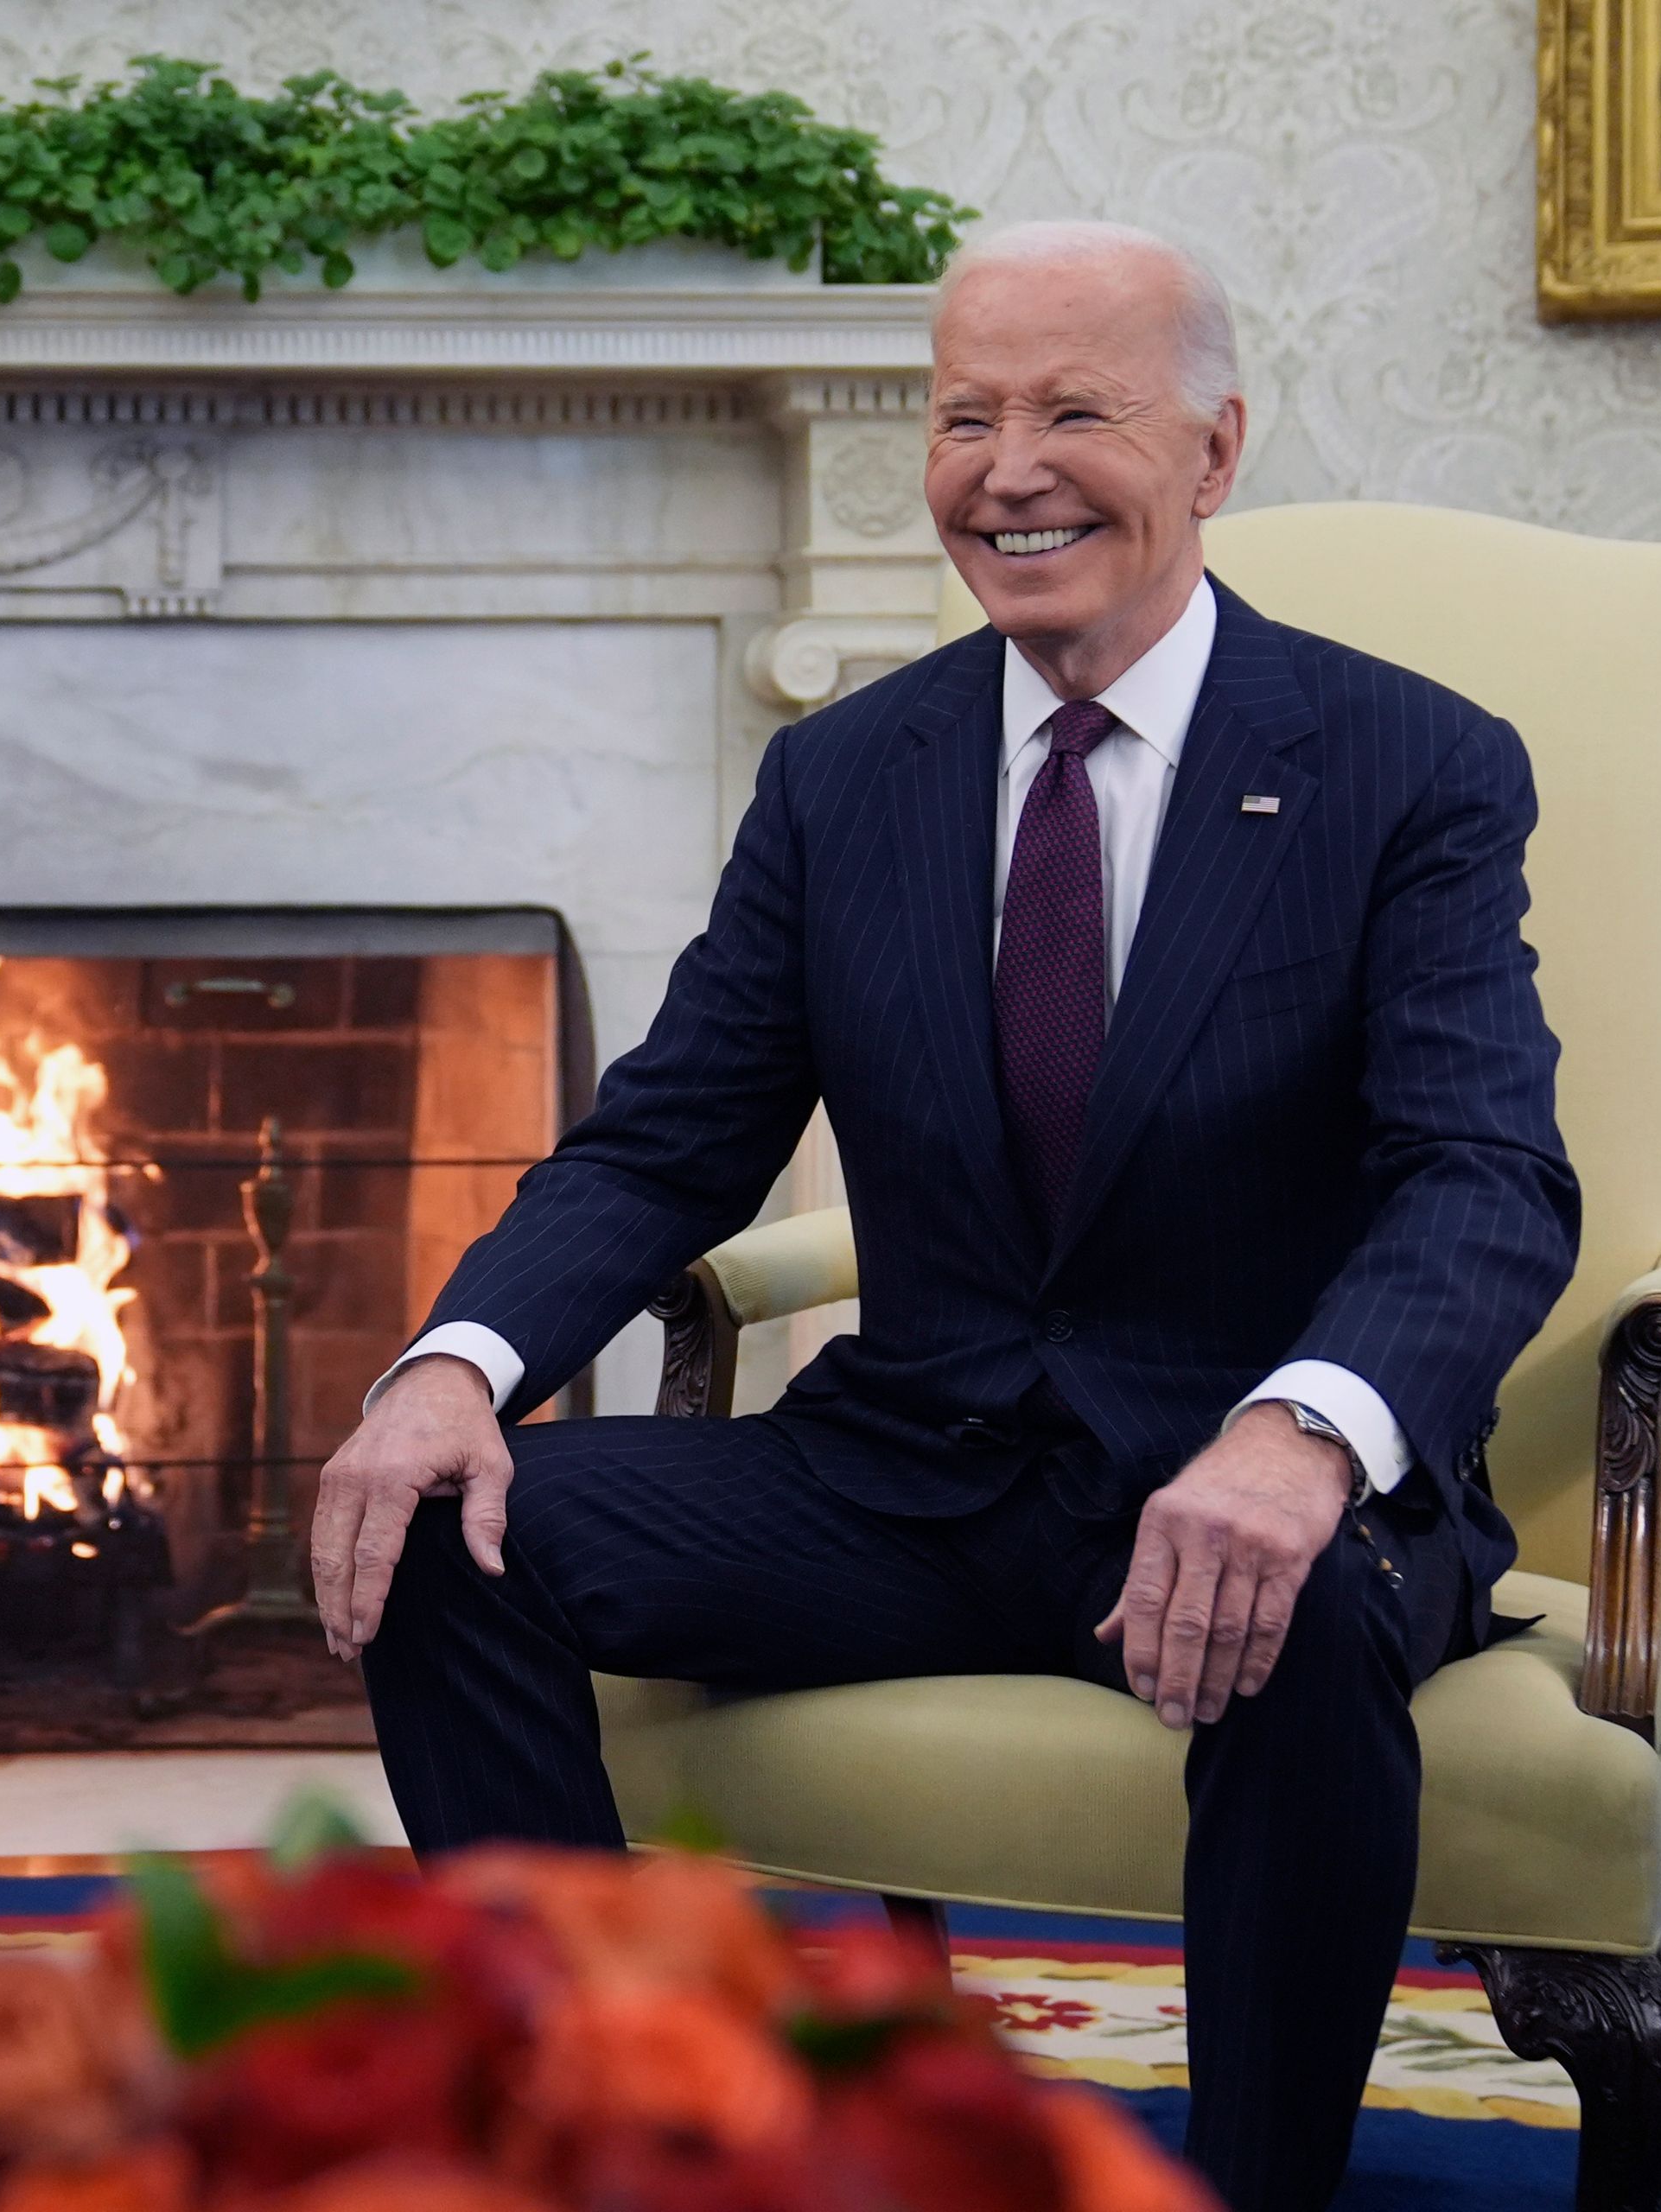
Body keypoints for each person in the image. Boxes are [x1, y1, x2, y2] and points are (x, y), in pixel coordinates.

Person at [310, 219, 1577, 2212]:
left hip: (1251, 1478)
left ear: (1217, 449)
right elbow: (668, 1143)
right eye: (965, 414)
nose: (1011, 467)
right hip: (918, 1472)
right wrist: (452, 1367)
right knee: (456, 1534)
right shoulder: (846, 777)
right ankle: (588, 2134)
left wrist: (1301, 1431)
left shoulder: (1404, 764)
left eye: (1078, 409)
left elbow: (1483, 1172)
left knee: (1303, 1604)